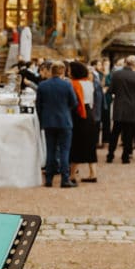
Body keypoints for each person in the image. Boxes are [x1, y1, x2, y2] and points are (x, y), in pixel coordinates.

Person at [35, 60, 78, 188]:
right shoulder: (67, 85)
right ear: (63, 71)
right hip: (64, 120)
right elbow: (74, 102)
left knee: (50, 150)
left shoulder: (43, 85)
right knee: (64, 151)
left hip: (49, 121)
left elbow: (38, 105)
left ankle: (49, 179)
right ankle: (65, 179)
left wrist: (42, 119)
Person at [107, 55, 135, 164]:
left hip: (118, 106)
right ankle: (125, 156)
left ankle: (110, 155)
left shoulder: (116, 74)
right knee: (128, 134)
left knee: (115, 133)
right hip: (131, 107)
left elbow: (111, 90)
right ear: (134, 64)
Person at [68, 61, 99, 184]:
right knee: (90, 144)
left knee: (76, 144)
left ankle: (72, 174)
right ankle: (93, 173)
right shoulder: (89, 83)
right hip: (89, 112)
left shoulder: (74, 84)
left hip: (79, 113)